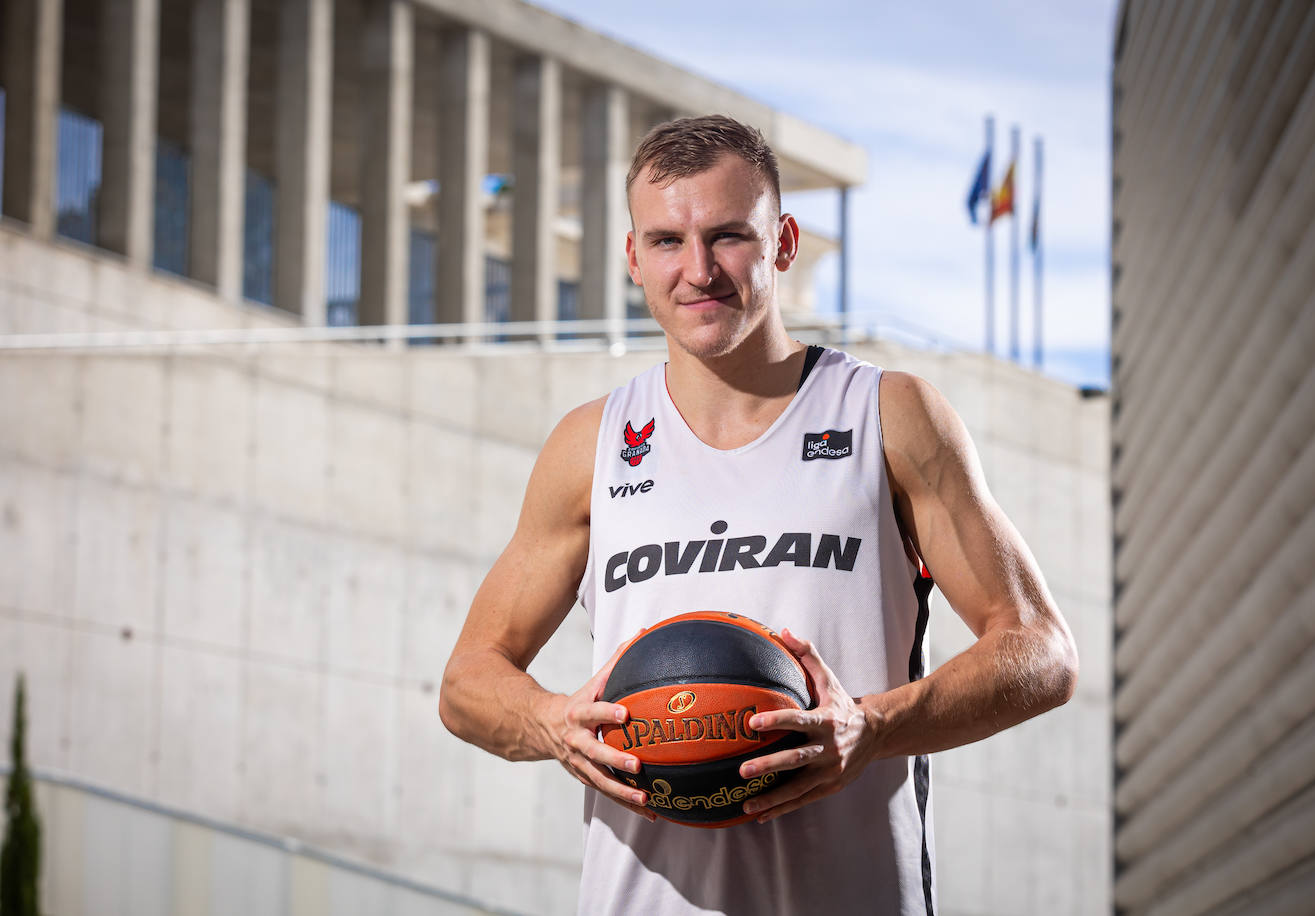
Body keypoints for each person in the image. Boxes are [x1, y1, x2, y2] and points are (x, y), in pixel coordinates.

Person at [439, 115, 1078, 916]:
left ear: (783, 242)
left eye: (728, 236)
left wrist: (870, 728)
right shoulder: (590, 446)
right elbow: (467, 681)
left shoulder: (889, 416)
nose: (698, 270)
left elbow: (1041, 650)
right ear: (633, 257)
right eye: (667, 241)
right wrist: (551, 723)